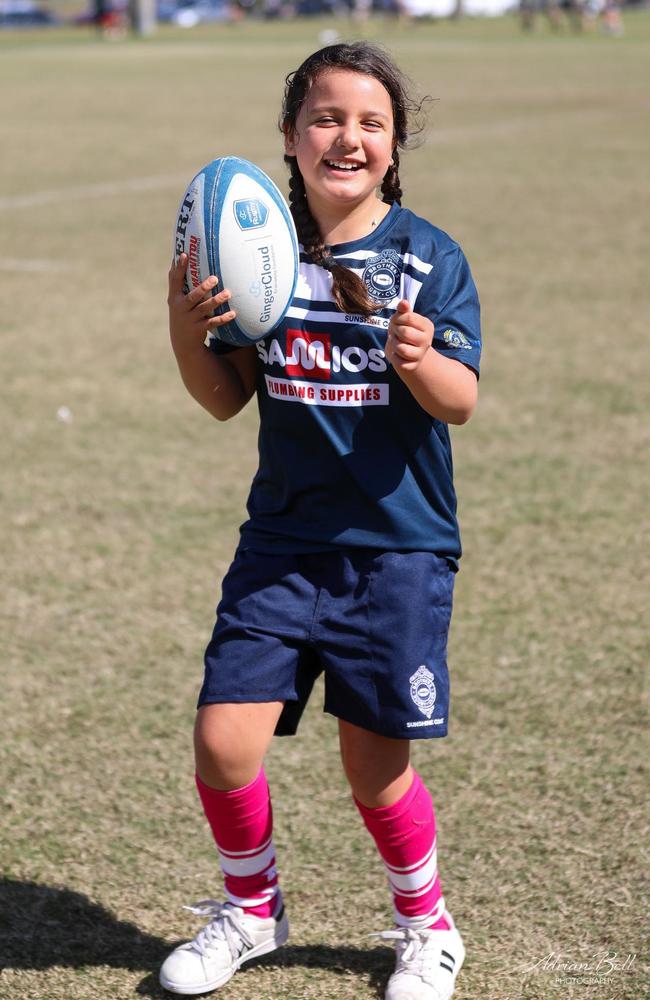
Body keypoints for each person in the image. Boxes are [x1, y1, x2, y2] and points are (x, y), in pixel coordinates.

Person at [160, 41, 481, 1000]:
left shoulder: (429, 258)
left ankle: (426, 927)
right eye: (326, 118)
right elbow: (225, 399)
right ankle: (252, 912)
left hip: (397, 550)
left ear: (394, 143)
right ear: (292, 140)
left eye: (370, 121)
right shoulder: (260, 254)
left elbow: (460, 400)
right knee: (223, 743)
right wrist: (185, 326)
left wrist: (419, 357)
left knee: (375, 770)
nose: (347, 136)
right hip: (283, 544)